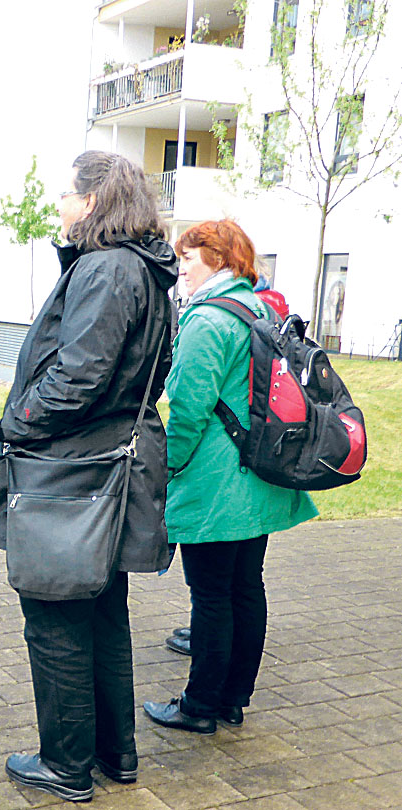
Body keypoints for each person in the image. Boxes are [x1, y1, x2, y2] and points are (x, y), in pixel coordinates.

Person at [0, 151, 176, 802]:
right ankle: (114, 754)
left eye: (66, 194)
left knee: (57, 617)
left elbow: (78, 376)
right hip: (102, 465)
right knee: (101, 614)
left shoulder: (106, 267)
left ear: (91, 201)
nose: (59, 205)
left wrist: (18, 422)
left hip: (73, 472)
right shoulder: (142, 269)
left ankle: (65, 765)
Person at [143, 219, 317, 735]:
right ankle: (234, 699)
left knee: (212, 595)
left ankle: (199, 706)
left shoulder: (207, 320)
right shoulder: (260, 308)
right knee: (246, 587)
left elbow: (189, 410)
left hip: (216, 482)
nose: (180, 269)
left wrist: (167, 468)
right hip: (260, 473)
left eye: (188, 258)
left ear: (217, 259)